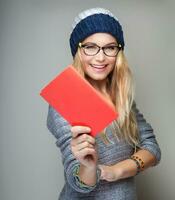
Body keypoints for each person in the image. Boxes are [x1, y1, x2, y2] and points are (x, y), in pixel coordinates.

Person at [46, 7, 161, 200]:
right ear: (78, 51)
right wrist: (88, 167)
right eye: (90, 46)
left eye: (110, 47)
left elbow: (152, 149)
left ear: (118, 52)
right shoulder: (66, 98)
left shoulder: (122, 97)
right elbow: (78, 182)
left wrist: (115, 171)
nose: (100, 57)